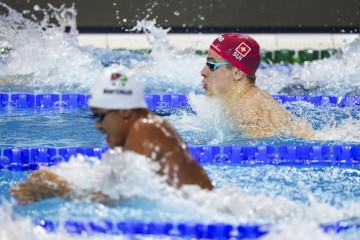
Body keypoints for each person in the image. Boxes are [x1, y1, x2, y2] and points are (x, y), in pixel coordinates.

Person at [10, 67, 213, 204]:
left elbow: (129, 202)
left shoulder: (145, 131)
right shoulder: (145, 129)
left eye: (100, 115)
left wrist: (60, 190)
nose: (97, 125)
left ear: (124, 111)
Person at [200, 33, 314, 138]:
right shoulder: (251, 98)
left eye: (212, 64)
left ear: (237, 73)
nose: (203, 72)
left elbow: (269, 151)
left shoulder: (243, 111)